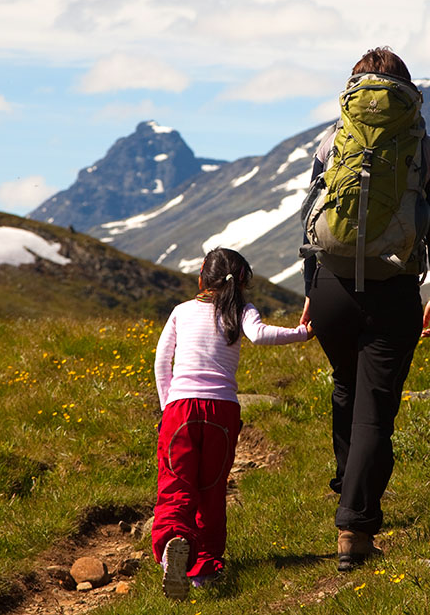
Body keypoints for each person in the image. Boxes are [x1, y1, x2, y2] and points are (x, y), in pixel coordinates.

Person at [299, 46, 430, 571]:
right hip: (394, 292)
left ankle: (350, 484)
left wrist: (309, 289)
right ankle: (355, 526)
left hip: (331, 289)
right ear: (406, 92)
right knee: (376, 411)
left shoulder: (332, 140)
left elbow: (310, 218)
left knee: (346, 387)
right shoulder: (426, 148)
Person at [152, 247, 311, 599]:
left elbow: (162, 364)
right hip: (223, 411)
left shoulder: (181, 311)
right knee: (211, 489)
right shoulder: (241, 311)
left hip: (181, 409)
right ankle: (204, 569)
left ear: (201, 280)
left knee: (176, 483)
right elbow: (261, 335)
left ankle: (172, 546)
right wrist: (302, 332)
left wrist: (168, 410)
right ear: (242, 284)